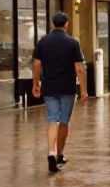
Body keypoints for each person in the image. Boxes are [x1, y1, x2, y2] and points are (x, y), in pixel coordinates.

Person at [31, 12, 88, 172]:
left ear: (52, 24)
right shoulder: (72, 43)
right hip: (68, 88)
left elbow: (36, 65)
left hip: (49, 87)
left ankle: (51, 152)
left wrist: (36, 83)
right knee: (64, 121)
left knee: (52, 120)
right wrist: (83, 89)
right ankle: (59, 154)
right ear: (66, 24)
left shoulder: (43, 41)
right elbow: (79, 68)